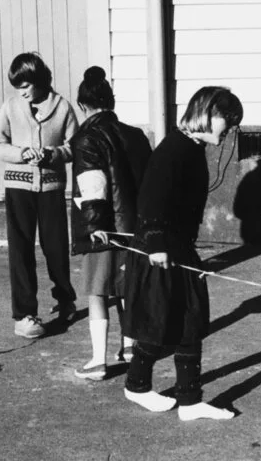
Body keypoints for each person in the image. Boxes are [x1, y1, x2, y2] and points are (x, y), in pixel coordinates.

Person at [122, 86, 243, 421]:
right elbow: (150, 200)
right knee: (161, 321)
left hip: (179, 248)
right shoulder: (174, 149)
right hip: (158, 249)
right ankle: (137, 385)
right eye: (228, 122)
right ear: (209, 115)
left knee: (190, 319)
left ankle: (189, 401)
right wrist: (157, 245)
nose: (230, 130)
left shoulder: (192, 148)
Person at [70, 66, 152, 380]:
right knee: (127, 289)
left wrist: (92, 229)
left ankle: (97, 361)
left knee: (97, 292)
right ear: (111, 102)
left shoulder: (87, 137)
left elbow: (93, 186)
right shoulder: (136, 135)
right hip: (136, 227)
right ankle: (130, 348)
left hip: (104, 227)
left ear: (82, 105)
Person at [0, 52, 78, 339]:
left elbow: (75, 147)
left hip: (51, 189)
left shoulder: (63, 107)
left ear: (39, 81)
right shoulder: (11, 106)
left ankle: (65, 299)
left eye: (26, 85)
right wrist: (21, 154)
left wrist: (53, 154)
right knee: (21, 251)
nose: (22, 92)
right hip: (18, 189)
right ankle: (24, 315)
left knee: (56, 248)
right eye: (18, 87)